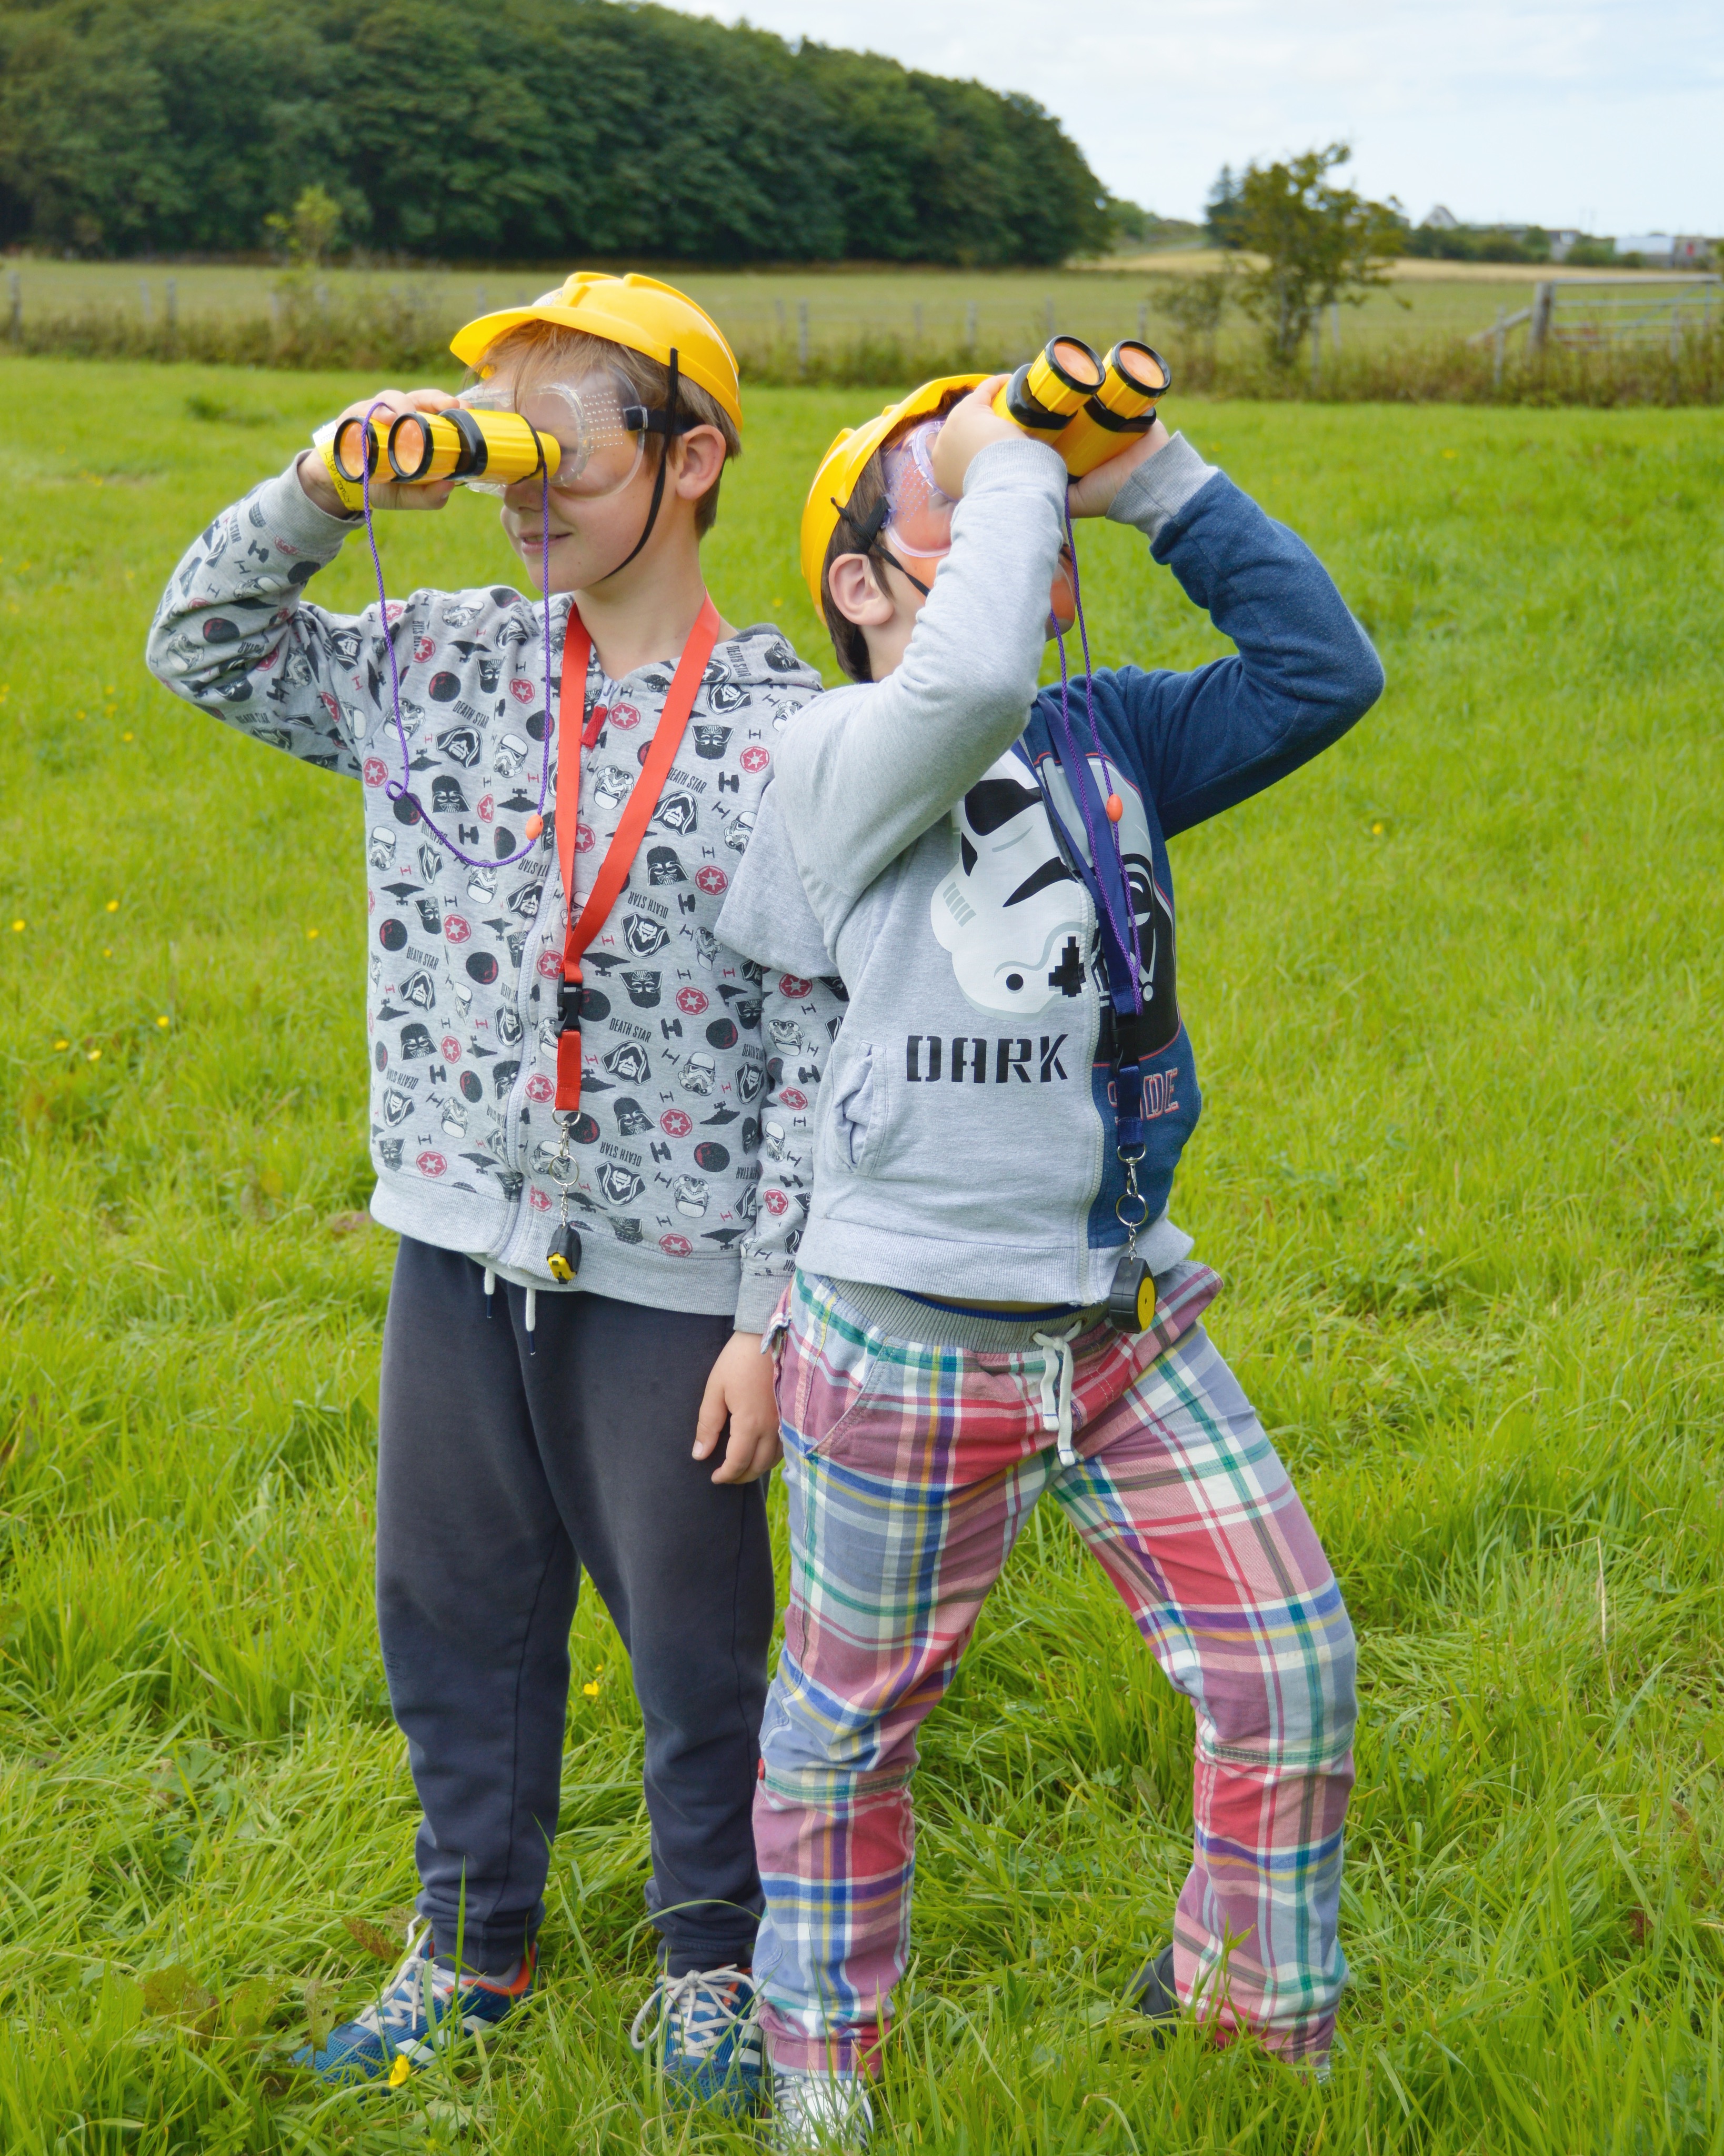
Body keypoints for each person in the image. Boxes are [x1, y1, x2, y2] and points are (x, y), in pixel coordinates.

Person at [145, 273, 822, 2109]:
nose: (520, 494)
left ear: (688, 464)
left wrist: (768, 1316)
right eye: (495, 451)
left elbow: (812, 1051)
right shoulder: (429, 655)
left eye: (560, 454)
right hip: (458, 1239)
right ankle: (469, 1943)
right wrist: (318, 493)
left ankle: (712, 1960)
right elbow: (197, 644)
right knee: (450, 1606)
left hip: (677, 1273)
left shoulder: (783, 728)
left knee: (694, 1642)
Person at [716, 372, 1384, 2147]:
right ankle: (821, 2077)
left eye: (1026, 497)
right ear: (862, 583)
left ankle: (1249, 2029)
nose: (1024, 520)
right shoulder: (836, 753)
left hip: (1120, 1322)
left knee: (1285, 1668)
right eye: (949, 502)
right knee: (850, 1722)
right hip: (908, 1338)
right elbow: (969, 680)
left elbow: (1326, 675)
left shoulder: (1111, 736)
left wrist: (1149, 475)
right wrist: (1001, 446)